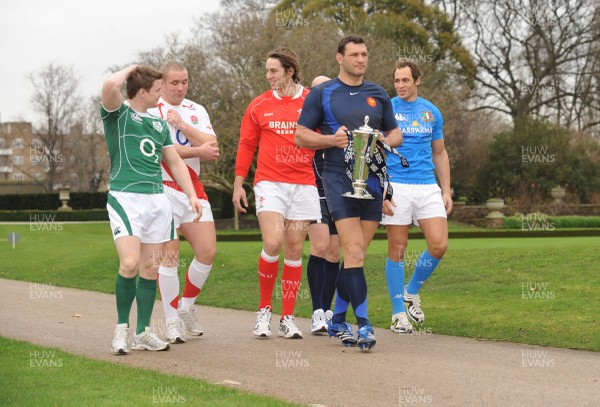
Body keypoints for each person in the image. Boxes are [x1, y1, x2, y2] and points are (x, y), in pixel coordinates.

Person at [295, 35, 403, 350]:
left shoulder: (379, 93)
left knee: (356, 256)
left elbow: (395, 133)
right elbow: (301, 136)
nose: (361, 59)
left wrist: (385, 139)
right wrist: (331, 140)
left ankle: (338, 319)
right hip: (337, 179)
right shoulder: (322, 93)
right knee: (353, 251)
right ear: (339, 58)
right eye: (354, 54)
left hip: (371, 181)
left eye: (364, 54)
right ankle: (365, 325)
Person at [101, 65, 202, 354]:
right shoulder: (117, 115)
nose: (162, 94)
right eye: (158, 89)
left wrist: (192, 194)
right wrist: (131, 69)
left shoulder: (158, 124)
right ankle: (122, 329)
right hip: (125, 197)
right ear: (142, 91)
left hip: (157, 201)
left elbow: (174, 162)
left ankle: (143, 331)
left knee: (149, 268)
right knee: (130, 264)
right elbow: (110, 86)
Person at [233, 47, 320, 340]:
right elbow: (246, 145)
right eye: (267, 71)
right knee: (273, 242)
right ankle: (264, 311)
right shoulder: (258, 106)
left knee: (294, 250)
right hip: (269, 183)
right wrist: (238, 183)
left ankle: (288, 318)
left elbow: (324, 134)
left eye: (274, 71)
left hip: (304, 183)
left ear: (289, 71)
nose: (268, 76)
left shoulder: (311, 100)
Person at [147, 63, 220, 344]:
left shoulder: (196, 109)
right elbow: (162, 150)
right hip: (161, 185)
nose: (180, 88)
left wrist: (184, 126)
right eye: (174, 83)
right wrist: (196, 149)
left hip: (192, 186)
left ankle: (186, 305)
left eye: (184, 82)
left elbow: (212, 145)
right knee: (170, 256)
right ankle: (172, 321)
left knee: (207, 251)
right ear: (162, 84)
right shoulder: (152, 109)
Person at [381, 60, 452, 333]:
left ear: (417, 81)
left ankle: (412, 291)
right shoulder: (387, 109)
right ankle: (398, 312)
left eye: (405, 80)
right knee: (397, 249)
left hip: (427, 186)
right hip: (397, 185)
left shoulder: (431, 112)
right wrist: (381, 190)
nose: (400, 85)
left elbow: (440, 153)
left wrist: (445, 190)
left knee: (439, 245)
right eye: (397, 81)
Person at [306, 75, 342, 335]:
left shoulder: (339, 120)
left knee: (334, 253)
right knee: (319, 247)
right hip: (313, 191)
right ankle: (317, 311)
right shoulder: (306, 121)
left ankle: (328, 312)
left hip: (339, 191)